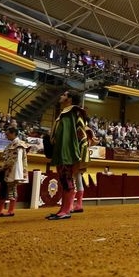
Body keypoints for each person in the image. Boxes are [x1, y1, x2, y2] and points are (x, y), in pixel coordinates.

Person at [47, 90, 90, 220]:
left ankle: (65, 210)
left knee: (67, 180)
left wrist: (76, 152)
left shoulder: (72, 112)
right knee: (64, 180)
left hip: (68, 152)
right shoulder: (67, 113)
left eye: (64, 95)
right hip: (63, 150)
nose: (61, 96)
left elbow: (79, 133)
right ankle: (63, 209)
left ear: (70, 99)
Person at [0, 126, 29, 218]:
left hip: (13, 171)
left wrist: (4, 169)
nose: (6, 136)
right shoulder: (12, 145)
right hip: (8, 170)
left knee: (11, 190)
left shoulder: (19, 144)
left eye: (7, 134)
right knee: (3, 190)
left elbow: (15, 160)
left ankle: (11, 211)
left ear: (13, 133)